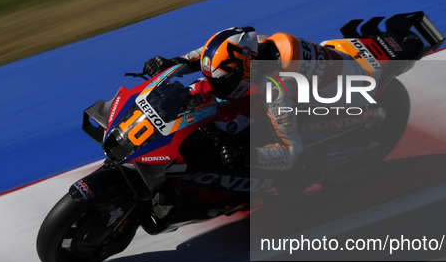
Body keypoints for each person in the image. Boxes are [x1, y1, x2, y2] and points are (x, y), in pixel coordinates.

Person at [141, 26, 354, 172]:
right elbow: (208, 55)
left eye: (221, 82)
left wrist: (244, 155)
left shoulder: (275, 90)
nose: (214, 86)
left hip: (324, 103)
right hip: (318, 76)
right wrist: (174, 63)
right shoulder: (252, 45)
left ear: (244, 72)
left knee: (232, 129)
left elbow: (291, 150)